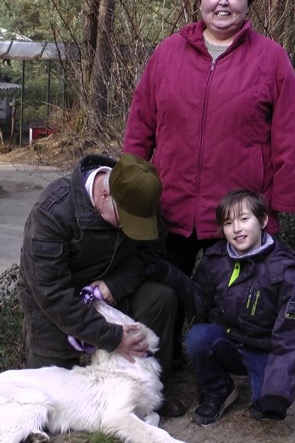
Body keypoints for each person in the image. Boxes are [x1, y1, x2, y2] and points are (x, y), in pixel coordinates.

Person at [124, 0, 295, 276]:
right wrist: (130, 187)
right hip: (170, 208)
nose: (223, 1)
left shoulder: (271, 59)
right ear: (201, 0)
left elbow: (291, 135)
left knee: (233, 304)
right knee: (165, 296)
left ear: (248, 3)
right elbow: (140, 125)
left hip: (238, 216)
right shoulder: (167, 53)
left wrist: (280, 205)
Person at [18, 152, 186, 416]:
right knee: (52, 399)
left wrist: (114, 285)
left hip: (113, 291)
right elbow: (50, 293)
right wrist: (112, 338)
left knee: (161, 297)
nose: (131, 229)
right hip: (56, 306)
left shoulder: (141, 198)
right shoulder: (52, 211)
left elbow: (153, 254)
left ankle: (152, 391)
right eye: (125, 221)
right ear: (105, 195)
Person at [146, 189, 295, 426]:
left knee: (267, 404)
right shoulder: (216, 259)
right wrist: (170, 275)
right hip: (229, 343)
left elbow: (292, 335)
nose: (236, 229)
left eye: (244, 219)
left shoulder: (283, 271)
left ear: (263, 220)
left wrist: (278, 390)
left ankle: (266, 389)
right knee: (198, 337)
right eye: (228, 223)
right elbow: (200, 301)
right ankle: (220, 389)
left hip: (264, 350)